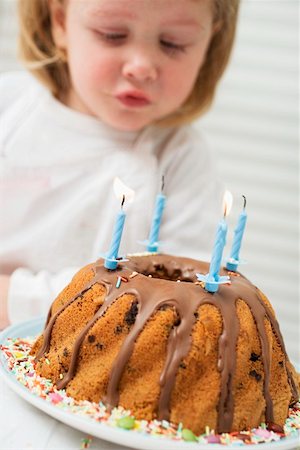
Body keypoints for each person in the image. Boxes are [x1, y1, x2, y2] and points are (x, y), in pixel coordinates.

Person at [0, 0, 239, 329]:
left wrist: (13, 297)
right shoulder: (8, 111)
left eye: (174, 43)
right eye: (111, 35)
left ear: (209, 42)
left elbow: (186, 299)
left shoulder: (181, 158)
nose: (141, 67)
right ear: (59, 22)